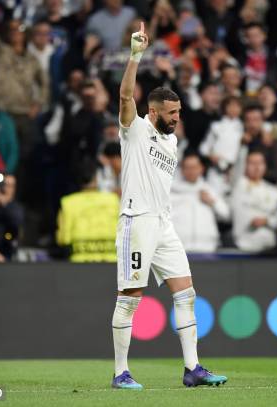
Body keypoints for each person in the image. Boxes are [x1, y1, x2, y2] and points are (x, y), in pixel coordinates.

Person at [111, 23, 226, 389]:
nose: (177, 117)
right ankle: (120, 372)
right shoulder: (135, 130)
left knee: (186, 291)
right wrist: (136, 56)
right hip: (136, 220)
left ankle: (192, 369)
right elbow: (125, 97)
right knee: (131, 297)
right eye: (171, 113)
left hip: (163, 224)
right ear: (154, 111)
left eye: (178, 112)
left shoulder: (172, 142)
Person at [56, 159, 120, 262]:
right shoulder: (114, 200)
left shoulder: (67, 203)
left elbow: (63, 239)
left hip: (79, 265)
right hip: (112, 264)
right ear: (97, 177)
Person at [171, 153, 230, 253]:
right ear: (182, 170)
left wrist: (212, 202)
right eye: (187, 167)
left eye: (194, 167)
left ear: (201, 168)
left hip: (207, 248)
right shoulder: (172, 191)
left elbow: (226, 215)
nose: (191, 171)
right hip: (179, 250)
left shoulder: (209, 189)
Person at [231, 151, 277, 253]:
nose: (257, 167)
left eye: (260, 163)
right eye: (252, 163)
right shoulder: (238, 185)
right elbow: (236, 165)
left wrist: (267, 221)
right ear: (245, 166)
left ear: (265, 166)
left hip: (268, 246)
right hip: (242, 246)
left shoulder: (274, 191)